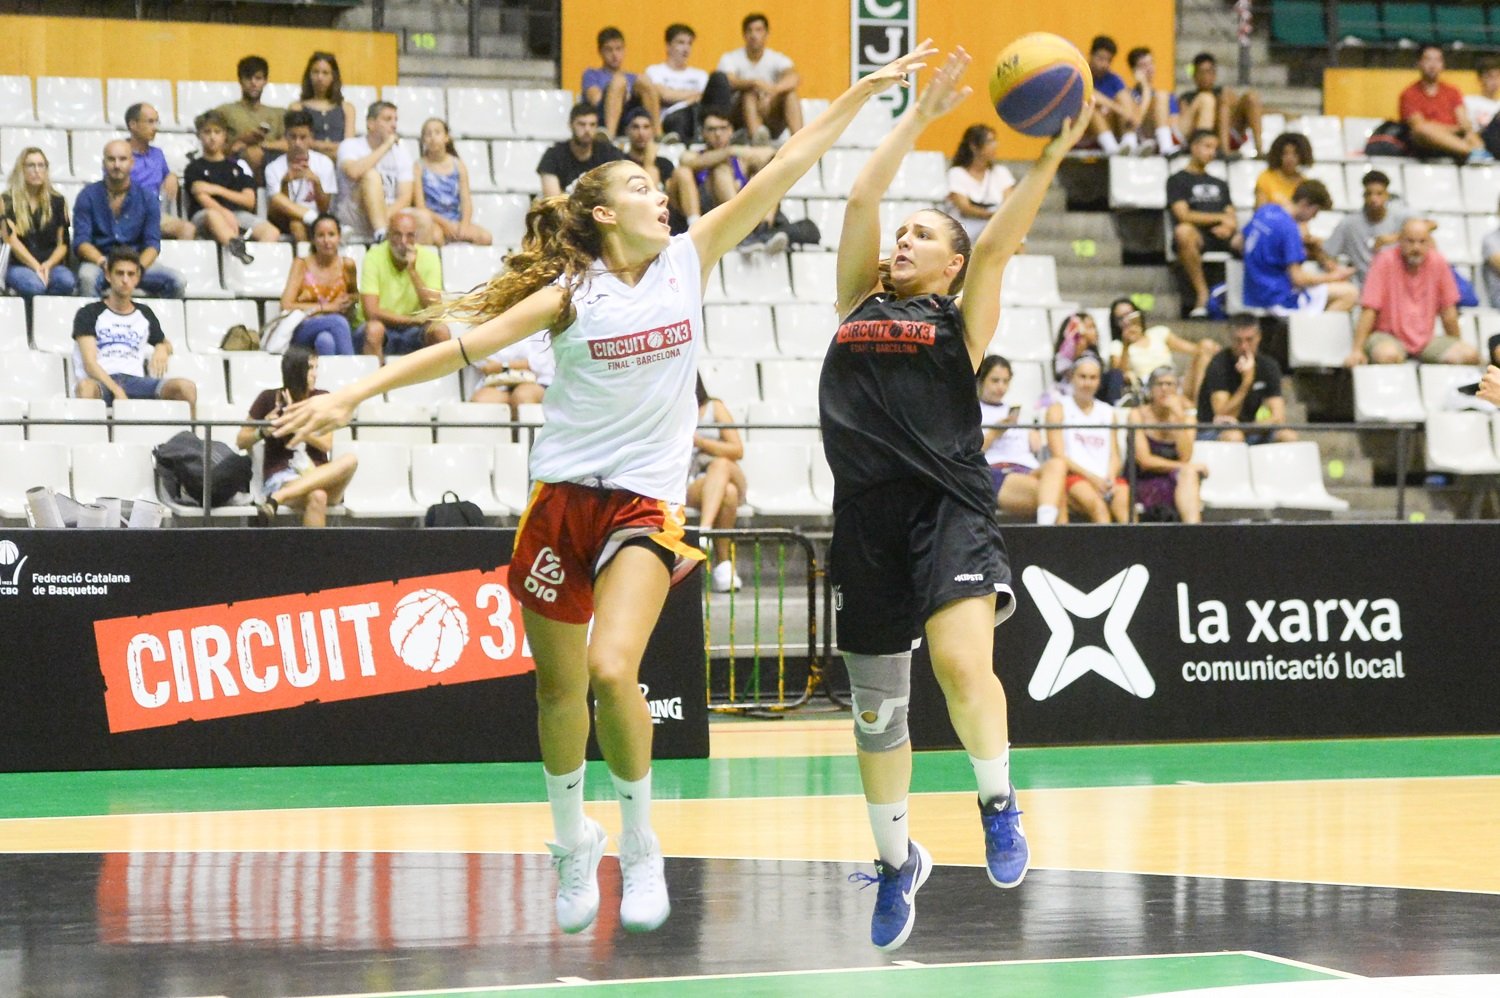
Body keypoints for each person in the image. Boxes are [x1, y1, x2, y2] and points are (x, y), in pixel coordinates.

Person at [272, 43, 935, 939]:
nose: (662, 193)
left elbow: (786, 164)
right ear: (599, 211)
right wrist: (350, 390)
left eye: (662, 184)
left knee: (612, 668)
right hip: (560, 502)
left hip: (642, 503)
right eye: (641, 186)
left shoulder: (688, 259)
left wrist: (858, 89)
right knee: (557, 692)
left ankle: (639, 841)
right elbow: (462, 348)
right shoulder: (570, 292)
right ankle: (567, 841)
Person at [821, 46, 1090, 953]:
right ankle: (899, 865)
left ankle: (998, 801)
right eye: (903, 233)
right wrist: (916, 116)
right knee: (875, 714)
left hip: (948, 508)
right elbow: (860, 199)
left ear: (953, 264)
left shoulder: (959, 319)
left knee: (962, 667)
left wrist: (1049, 155)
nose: (901, 238)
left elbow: (1005, 238)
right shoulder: (856, 301)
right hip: (865, 518)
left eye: (923, 235)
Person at [239, 345, 358, 527]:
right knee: (318, 496)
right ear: (296, 370)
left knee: (350, 460)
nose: (315, 374)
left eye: (316, 368)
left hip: (319, 475)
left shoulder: (322, 399)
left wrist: (293, 422)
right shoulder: (268, 398)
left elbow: (326, 445)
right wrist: (262, 431)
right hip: (282, 476)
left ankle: (277, 499)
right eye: (310, 368)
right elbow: (241, 440)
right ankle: (314, 556)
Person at [72, 246, 197, 416]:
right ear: (108, 275)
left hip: (137, 381)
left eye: (131, 274)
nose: (125, 280)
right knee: (85, 388)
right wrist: (116, 390)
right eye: (120, 273)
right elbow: (90, 363)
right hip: (102, 381)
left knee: (186, 388)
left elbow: (164, 342)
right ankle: (88, 442)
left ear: (138, 277)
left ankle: (192, 440)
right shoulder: (89, 313)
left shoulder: (144, 313)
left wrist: (161, 348)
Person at [1346, 219, 1478, 368]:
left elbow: (1449, 312)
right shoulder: (1384, 260)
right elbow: (1369, 309)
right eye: (1410, 241)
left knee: (1469, 355)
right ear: (1400, 240)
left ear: (1429, 243)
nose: (1416, 247)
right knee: (1387, 355)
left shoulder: (1438, 261)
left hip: (1426, 341)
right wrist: (1356, 350)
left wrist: (1455, 342)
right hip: (1386, 336)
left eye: (1422, 242)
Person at [73, 140, 185, 298]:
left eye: (122, 159)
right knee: (87, 278)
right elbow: (81, 242)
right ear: (103, 163)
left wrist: (138, 268)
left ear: (132, 163)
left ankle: (154, 322)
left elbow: (152, 244)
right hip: (100, 261)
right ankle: (92, 321)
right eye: (111, 159)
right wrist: (102, 262)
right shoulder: (87, 196)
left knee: (177, 281)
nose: (117, 165)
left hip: (137, 261)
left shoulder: (147, 198)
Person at [674, 106, 784, 252]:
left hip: (744, 216)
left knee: (770, 175)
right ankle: (740, 231)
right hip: (710, 216)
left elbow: (775, 156)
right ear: (703, 133)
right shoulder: (694, 155)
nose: (718, 134)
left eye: (723, 128)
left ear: (731, 130)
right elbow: (686, 162)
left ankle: (762, 230)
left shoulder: (742, 160)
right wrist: (729, 151)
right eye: (712, 129)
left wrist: (749, 153)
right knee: (719, 170)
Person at [1242, 180, 1357, 314]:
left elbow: (1238, 243)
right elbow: (1299, 279)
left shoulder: (1266, 210)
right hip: (1278, 298)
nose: (1314, 217)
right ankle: (1315, 333)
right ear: (1305, 204)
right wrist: (1334, 276)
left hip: (1252, 291)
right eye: (1315, 211)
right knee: (1350, 293)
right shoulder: (1290, 229)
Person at [976, 356, 1066, 524]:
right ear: (981, 380)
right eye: (995, 381)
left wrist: (1034, 437)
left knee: (1058, 464)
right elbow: (970, 453)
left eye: (1005, 381)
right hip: (997, 469)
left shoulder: (1018, 413)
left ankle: (1047, 529)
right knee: (1058, 495)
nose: (1000, 387)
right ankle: (1049, 531)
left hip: (1028, 468)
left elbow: (1036, 448)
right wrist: (994, 433)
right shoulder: (974, 411)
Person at [184, 109, 280, 264]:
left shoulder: (238, 166)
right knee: (213, 216)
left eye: (217, 132)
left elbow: (249, 200)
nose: (212, 137)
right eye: (207, 132)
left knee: (271, 231)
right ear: (199, 135)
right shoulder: (194, 167)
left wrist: (217, 189)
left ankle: (258, 267)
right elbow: (201, 196)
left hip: (238, 214)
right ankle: (236, 246)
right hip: (204, 216)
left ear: (225, 136)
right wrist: (224, 213)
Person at [1047, 355, 1129, 524]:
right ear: (1072, 378)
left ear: (1099, 381)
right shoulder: (1057, 409)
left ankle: (1135, 550)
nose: (1087, 383)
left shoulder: (1108, 412)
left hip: (1105, 478)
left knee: (1125, 508)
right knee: (1098, 507)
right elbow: (1059, 456)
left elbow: (1115, 454)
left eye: (1093, 378)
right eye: (1082, 377)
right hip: (1074, 476)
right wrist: (1093, 479)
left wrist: (1110, 478)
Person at [356, 209, 450, 357]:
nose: (403, 242)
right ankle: (378, 379)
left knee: (441, 331)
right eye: (397, 235)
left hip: (416, 330)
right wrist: (410, 320)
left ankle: (437, 380)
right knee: (374, 330)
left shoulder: (430, 258)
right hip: (384, 327)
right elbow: (371, 312)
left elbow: (435, 309)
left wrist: (412, 271)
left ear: (416, 237)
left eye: (409, 236)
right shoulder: (373, 256)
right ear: (388, 235)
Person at [686, 378, 747, 592]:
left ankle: (703, 531)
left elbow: (737, 450)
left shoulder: (715, 407)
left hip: (728, 471)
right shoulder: (674, 409)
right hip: (694, 480)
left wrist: (700, 442)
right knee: (727, 494)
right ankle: (724, 568)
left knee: (721, 465)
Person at [1168, 129, 1235, 318]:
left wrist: (1228, 225)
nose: (1211, 152)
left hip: (1223, 234)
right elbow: (1183, 215)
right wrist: (1218, 218)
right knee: (1183, 232)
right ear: (1194, 147)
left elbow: (1231, 214)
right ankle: (1202, 293)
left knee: (1252, 237)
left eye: (1215, 148)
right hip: (1197, 235)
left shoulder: (1220, 182)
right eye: (1207, 146)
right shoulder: (1177, 180)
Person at [1197, 314, 1294, 444]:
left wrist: (1251, 427)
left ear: (1259, 337)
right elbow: (1223, 416)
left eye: (1249, 340)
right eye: (1238, 341)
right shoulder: (1219, 364)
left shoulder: (1268, 366)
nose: (1244, 347)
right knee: (1234, 437)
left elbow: (1278, 416)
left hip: (1249, 429)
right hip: (1212, 430)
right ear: (1231, 339)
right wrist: (1246, 382)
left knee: (1287, 435)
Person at [1129, 367, 1206, 523]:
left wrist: (1177, 420)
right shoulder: (1137, 415)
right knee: (1188, 471)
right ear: (1150, 390)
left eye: (1170, 384)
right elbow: (1145, 461)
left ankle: (1194, 533)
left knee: (1189, 475)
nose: (1165, 389)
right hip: (1145, 479)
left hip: (1175, 478)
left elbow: (1186, 456)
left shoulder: (1187, 419)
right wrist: (1183, 466)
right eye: (1159, 384)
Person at [276, 213, 358, 356]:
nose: (326, 241)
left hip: (334, 331)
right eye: (320, 235)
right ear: (313, 240)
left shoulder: (348, 265)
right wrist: (328, 307)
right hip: (303, 327)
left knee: (325, 341)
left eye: (331, 234)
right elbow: (286, 305)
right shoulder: (301, 264)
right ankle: (354, 374)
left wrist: (349, 301)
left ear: (339, 237)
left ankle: (329, 378)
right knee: (338, 322)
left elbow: (354, 293)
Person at [1107, 298, 1217, 404]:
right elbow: (1118, 376)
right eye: (1120, 318)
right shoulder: (1117, 346)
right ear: (1115, 324)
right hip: (1149, 390)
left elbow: (1196, 350)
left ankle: (1198, 404)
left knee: (1206, 345)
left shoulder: (1158, 332)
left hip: (1174, 382)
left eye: (1130, 315)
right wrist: (1126, 346)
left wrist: (1211, 347)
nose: (1126, 321)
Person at [335, 101, 417, 244]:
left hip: (388, 213)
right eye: (387, 119)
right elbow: (353, 172)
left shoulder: (402, 151)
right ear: (370, 124)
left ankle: (413, 262)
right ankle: (382, 236)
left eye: (395, 120)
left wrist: (383, 215)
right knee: (371, 176)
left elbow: (405, 198)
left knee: (424, 220)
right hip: (355, 214)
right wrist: (386, 146)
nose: (394, 125)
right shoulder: (349, 146)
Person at [717, 12, 802, 144]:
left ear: (766, 34)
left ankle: (799, 142)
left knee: (790, 94)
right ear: (744, 35)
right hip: (739, 119)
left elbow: (794, 78)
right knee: (749, 93)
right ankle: (758, 139)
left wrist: (773, 91)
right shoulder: (730, 58)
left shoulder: (776, 58)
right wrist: (755, 83)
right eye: (749, 31)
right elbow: (728, 80)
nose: (754, 35)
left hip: (770, 114)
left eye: (758, 30)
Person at [2, 147, 76, 301]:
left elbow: (63, 244)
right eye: (31, 165)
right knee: (34, 286)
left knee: (66, 281)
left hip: (50, 263)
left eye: (41, 165)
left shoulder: (58, 201)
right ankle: (30, 322)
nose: (37, 170)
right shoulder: (6, 201)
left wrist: (47, 265)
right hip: (18, 265)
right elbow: (11, 240)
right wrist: (36, 267)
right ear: (21, 170)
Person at [1401, 44, 1491, 163]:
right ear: (1419, 63)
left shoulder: (1452, 91)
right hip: (1428, 145)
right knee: (1421, 129)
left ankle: (1481, 153)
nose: (1433, 65)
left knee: (1471, 134)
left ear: (1443, 64)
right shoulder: (1409, 94)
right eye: (1428, 59)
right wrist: (1455, 129)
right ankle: (1472, 152)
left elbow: (1464, 123)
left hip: (1457, 138)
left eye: (1437, 60)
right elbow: (1419, 126)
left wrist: (1459, 130)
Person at [645, 23, 731, 142]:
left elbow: (707, 100)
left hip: (700, 114)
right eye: (680, 43)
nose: (686, 48)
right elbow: (665, 95)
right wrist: (693, 97)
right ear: (668, 46)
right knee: (686, 113)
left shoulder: (700, 75)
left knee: (719, 77)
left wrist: (685, 97)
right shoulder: (655, 71)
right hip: (673, 116)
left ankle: (725, 131)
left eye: (689, 43)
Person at [414, 117, 493, 247]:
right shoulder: (418, 166)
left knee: (485, 237)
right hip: (434, 221)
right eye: (428, 134)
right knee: (436, 237)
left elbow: (466, 201)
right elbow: (420, 206)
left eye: (437, 132)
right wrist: (445, 225)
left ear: (446, 137)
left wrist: (464, 225)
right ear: (423, 140)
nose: (433, 137)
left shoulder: (459, 165)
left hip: (455, 220)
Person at [1323, 170, 1410, 285]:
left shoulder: (1400, 217)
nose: (1374, 199)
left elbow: (1430, 225)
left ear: (1387, 196)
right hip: (1361, 290)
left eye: (1379, 194)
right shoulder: (1348, 224)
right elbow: (1327, 254)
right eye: (1369, 194)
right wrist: (1336, 270)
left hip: (1395, 288)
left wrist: (1396, 237)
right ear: (1363, 196)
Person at [265, 109, 337, 243]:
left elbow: (325, 208)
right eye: (293, 137)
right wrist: (285, 183)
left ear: (311, 137)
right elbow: (276, 210)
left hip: (319, 217)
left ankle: (314, 223)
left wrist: (316, 183)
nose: (297, 143)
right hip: (283, 221)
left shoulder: (324, 163)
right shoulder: (273, 167)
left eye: (303, 137)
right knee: (291, 218)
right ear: (285, 136)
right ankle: (314, 220)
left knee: (297, 225)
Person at [125, 102, 195, 240]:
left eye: (156, 122)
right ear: (133, 124)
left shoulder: (158, 154)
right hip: (128, 214)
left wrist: (171, 175)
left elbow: (166, 175)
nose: (155, 128)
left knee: (188, 229)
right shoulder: (120, 154)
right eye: (150, 122)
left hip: (154, 214)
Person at [213, 55, 288, 181]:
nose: (253, 83)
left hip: (273, 164)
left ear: (265, 81)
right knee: (252, 155)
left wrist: (261, 144)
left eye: (258, 78)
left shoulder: (278, 114)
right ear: (240, 81)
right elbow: (211, 141)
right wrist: (241, 139)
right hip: (235, 165)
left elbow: (288, 145)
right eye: (248, 78)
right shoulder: (225, 111)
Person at [1180, 52, 1264, 157]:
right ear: (1194, 75)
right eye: (1202, 72)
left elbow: (1249, 110)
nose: (1206, 77)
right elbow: (1185, 127)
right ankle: (1224, 151)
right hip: (1206, 137)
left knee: (1251, 97)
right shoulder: (1187, 97)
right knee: (1218, 98)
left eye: (1209, 72)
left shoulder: (1225, 93)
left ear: (1215, 74)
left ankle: (1259, 150)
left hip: (1231, 133)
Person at [583, 26, 661, 138]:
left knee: (644, 80)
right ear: (600, 51)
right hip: (603, 116)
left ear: (624, 50)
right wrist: (617, 92)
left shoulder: (634, 78)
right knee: (619, 82)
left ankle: (657, 135)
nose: (614, 54)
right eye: (609, 50)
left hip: (630, 117)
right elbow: (595, 100)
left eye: (618, 49)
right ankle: (609, 136)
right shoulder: (592, 74)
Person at [945, 124, 1015, 245]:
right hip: (967, 225)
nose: (995, 145)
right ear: (974, 146)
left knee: (1013, 232)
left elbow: (1009, 203)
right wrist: (992, 215)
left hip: (995, 225)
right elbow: (965, 207)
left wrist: (999, 217)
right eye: (990, 141)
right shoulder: (957, 173)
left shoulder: (1001, 172)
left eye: (995, 141)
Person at [537, 103, 626, 198]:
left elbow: (618, 193)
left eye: (592, 125)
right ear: (570, 125)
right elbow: (553, 201)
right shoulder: (553, 156)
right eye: (581, 124)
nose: (587, 129)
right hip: (566, 211)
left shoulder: (610, 153)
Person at [622, 108, 685, 233]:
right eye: (636, 127)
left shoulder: (664, 163)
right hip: (637, 221)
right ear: (627, 131)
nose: (641, 133)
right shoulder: (622, 163)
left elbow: (670, 196)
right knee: (652, 171)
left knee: (683, 172)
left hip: (669, 220)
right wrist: (649, 162)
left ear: (653, 131)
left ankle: (694, 222)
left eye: (646, 127)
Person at [289, 51, 357, 159]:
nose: (320, 77)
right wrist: (332, 147)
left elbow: (348, 146)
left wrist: (316, 145)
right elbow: (299, 144)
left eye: (325, 73)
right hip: (308, 161)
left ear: (333, 77)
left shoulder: (347, 108)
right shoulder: (297, 107)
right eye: (315, 72)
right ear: (309, 75)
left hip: (341, 163)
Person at [469, 329, 552, 416]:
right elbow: (481, 362)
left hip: (538, 382)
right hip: (498, 383)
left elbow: (544, 362)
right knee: (481, 401)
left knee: (522, 397)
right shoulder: (485, 324)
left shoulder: (538, 323)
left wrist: (504, 366)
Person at [1125, 46, 1180, 156]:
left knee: (1162, 96)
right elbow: (1136, 122)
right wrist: (1145, 87)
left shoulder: (1164, 96)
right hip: (1140, 138)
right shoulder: (1128, 95)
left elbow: (1174, 125)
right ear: (1134, 71)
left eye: (1151, 63)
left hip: (1162, 136)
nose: (1149, 68)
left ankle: (1166, 147)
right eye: (1143, 65)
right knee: (1161, 96)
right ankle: (1165, 148)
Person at [1084, 35, 1134, 156]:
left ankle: (1130, 144)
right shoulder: (1082, 74)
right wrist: (1117, 109)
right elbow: (1089, 93)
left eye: (1109, 60)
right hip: (1084, 129)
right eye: (1101, 59)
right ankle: (1112, 149)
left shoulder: (1114, 79)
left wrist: (1125, 111)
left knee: (1124, 99)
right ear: (1091, 55)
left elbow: (1127, 106)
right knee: (1092, 110)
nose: (1105, 64)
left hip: (1111, 126)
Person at [1254, 132, 1312, 209]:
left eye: (1295, 154)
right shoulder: (1266, 177)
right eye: (1285, 153)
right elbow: (1261, 210)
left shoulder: (1304, 182)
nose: (1290, 159)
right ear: (1278, 154)